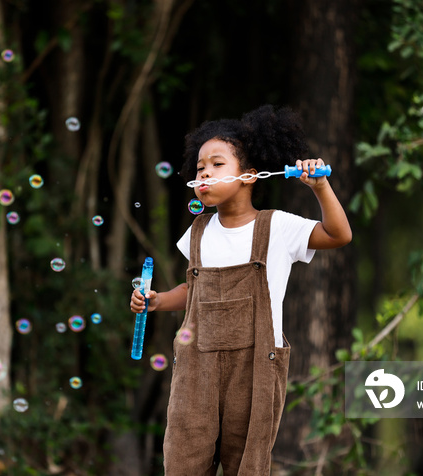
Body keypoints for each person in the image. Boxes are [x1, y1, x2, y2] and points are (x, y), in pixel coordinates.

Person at [129, 104, 352, 475]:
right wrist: (157, 301)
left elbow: (338, 234)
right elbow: (194, 288)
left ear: (250, 176)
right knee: (184, 457)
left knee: (246, 464)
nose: (205, 173)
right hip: (196, 366)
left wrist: (321, 187)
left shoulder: (277, 227)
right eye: (200, 167)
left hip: (256, 369)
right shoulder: (198, 231)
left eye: (217, 165)